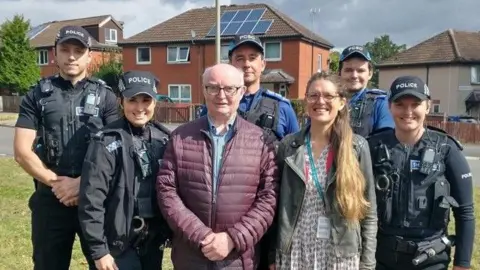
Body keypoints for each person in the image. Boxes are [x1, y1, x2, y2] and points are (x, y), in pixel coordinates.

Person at [13, 25, 119, 270]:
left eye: (78, 51)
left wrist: (82, 184)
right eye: (65, 50)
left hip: (94, 200)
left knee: (104, 264)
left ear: (89, 55)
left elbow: (116, 149)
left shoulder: (106, 97)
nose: (72, 56)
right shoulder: (36, 95)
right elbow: (21, 151)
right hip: (50, 199)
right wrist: (57, 184)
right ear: (55, 54)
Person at [156, 63, 279, 270]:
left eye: (229, 88)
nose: (221, 95)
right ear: (204, 91)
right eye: (213, 87)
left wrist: (233, 238)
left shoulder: (260, 140)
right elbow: (166, 190)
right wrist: (201, 236)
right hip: (191, 256)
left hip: (238, 259)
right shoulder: (180, 137)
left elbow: (269, 197)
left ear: (241, 92)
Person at [270, 71, 377, 270]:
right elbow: (276, 206)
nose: (320, 101)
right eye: (314, 95)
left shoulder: (357, 147)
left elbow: (369, 212)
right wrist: (271, 255)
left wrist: (368, 263)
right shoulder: (289, 146)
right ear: (305, 101)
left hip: (339, 253)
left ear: (342, 102)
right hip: (296, 250)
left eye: (328, 96)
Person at [367, 75, 475, 270]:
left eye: (415, 104)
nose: (408, 111)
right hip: (381, 257)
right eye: (400, 104)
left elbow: (465, 211)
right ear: (390, 106)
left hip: (431, 259)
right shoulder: (372, 147)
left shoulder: (446, 149)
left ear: (427, 106)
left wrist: (463, 263)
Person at [78, 70, 171, 270]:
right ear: (121, 102)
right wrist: (99, 250)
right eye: (132, 100)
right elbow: (91, 199)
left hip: (152, 242)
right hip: (116, 246)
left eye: (146, 100)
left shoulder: (164, 139)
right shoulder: (106, 141)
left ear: (155, 102)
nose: (139, 108)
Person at [199, 34, 299, 140]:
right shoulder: (216, 105)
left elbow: (297, 151)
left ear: (263, 64)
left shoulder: (281, 107)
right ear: (230, 64)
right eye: (240, 58)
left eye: (252, 58)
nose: (246, 64)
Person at [339, 45, 395, 137]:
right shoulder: (328, 100)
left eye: (360, 71)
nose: (354, 75)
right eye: (348, 70)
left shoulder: (380, 102)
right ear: (339, 73)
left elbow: (386, 139)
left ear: (370, 74)